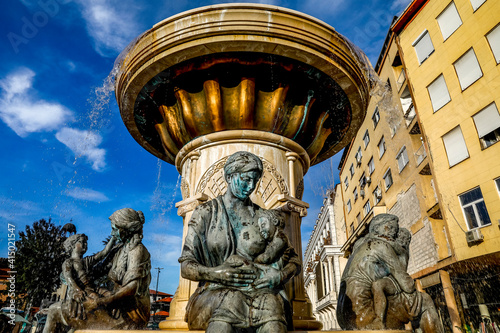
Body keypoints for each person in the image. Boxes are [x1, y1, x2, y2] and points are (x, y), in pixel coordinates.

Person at [179, 151, 301, 333]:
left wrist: (279, 276)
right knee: (232, 300)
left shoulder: (264, 217)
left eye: (255, 181)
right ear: (229, 176)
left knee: (273, 306)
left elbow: (294, 261)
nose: (250, 186)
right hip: (214, 292)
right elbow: (186, 266)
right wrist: (216, 274)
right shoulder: (205, 213)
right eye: (245, 179)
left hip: (259, 292)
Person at [337, 214, 443, 333]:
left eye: (396, 229)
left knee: (394, 300)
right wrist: (403, 253)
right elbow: (408, 286)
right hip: (364, 314)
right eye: (391, 228)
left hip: (345, 316)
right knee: (424, 300)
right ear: (377, 228)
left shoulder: (360, 244)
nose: (394, 232)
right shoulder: (381, 246)